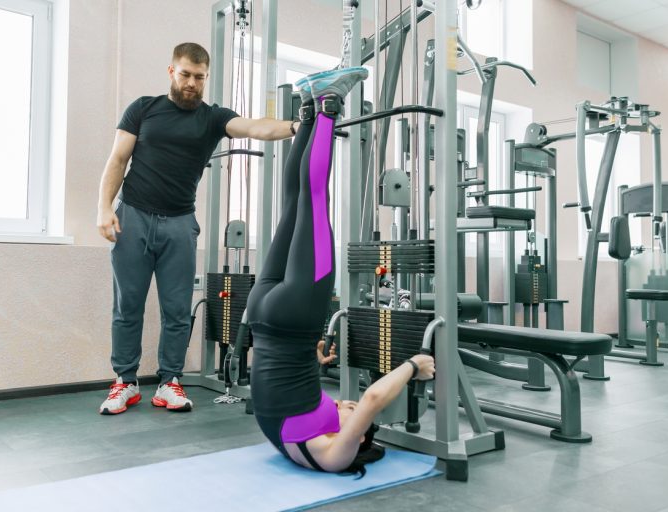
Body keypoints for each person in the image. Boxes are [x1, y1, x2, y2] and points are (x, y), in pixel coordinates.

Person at [246, 66, 436, 475]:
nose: (349, 407)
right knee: (294, 201)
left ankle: (328, 106)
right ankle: (308, 107)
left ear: (360, 437)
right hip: (262, 317)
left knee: (313, 199)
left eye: (352, 419)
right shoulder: (291, 434)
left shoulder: (335, 455)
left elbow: (371, 401)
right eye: (348, 409)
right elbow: (276, 385)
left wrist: (413, 366)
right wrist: (310, 362)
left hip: (294, 315)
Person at [96, 42, 300, 415]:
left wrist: (296, 126)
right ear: (171, 71)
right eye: (186, 74)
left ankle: (168, 382)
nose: (192, 83)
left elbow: (256, 127)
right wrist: (104, 209)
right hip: (134, 216)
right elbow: (118, 159)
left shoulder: (212, 117)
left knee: (177, 310)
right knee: (128, 307)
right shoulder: (143, 108)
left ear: (206, 78)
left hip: (179, 223)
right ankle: (124, 382)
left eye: (200, 77)